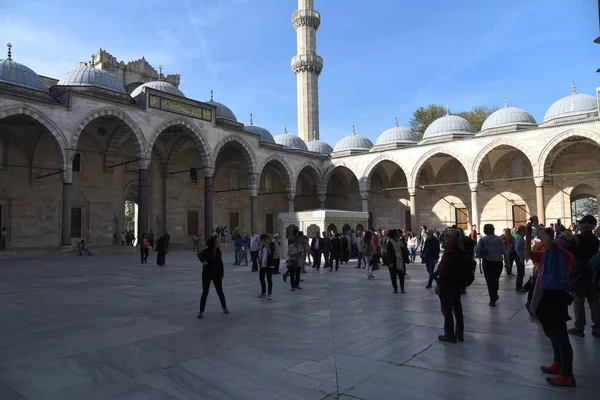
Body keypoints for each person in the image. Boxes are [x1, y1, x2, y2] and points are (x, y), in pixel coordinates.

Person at [526, 216, 577, 387]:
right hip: (546, 294)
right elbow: (528, 253)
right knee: (550, 331)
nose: (557, 238)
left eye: (561, 238)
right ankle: (558, 362)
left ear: (566, 244)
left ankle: (567, 374)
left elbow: (548, 242)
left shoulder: (563, 253)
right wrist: (527, 235)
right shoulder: (550, 254)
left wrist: (535, 225)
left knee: (560, 335)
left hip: (556, 296)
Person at [568, 215, 600, 338]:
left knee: (578, 302)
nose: (579, 226)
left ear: (585, 225)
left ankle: (579, 327)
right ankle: (598, 327)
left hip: (579, 273)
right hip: (591, 273)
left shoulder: (578, 239)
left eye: (581, 223)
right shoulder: (595, 240)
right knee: (594, 302)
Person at [435, 229, 465, 343]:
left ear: (452, 238)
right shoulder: (459, 249)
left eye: (447, 236)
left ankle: (449, 334)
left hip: (448, 284)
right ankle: (459, 333)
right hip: (457, 283)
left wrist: (439, 284)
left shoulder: (449, 251)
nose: (445, 238)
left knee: (447, 310)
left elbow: (444, 269)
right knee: (457, 309)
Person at [474, 224, 509, 307]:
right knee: (495, 280)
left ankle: (492, 299)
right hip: (498, 262)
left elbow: (476, 250)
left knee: (489, 281)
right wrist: (507, 263)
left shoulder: (483, 240)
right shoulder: (499, 239)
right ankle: (494, 295)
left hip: (487, 262)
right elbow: (504, 252)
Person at [197, 236, 229, 318]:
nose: (218, 243)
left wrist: (222, 273)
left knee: (220, 291)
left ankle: (224, 307)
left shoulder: (219, 252)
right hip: (207, 274)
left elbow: (220, 263)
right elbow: (199, 255)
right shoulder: (206, 251)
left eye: (218, 242)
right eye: (217, 242)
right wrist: (203, 261)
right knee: (205, 292)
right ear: (213, 244)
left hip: (216, 274)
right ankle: (201, 311)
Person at [387, 229, 408, 293]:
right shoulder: (390, 242)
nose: (398, 235)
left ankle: (402, 288)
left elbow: (404, 249)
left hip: (400, 261)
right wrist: (390, 262)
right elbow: (389, 252)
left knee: (401, 275)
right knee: (393, 276)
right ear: (394, 235)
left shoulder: (400, 241)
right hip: (393, 261)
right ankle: (395, 288)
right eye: (397, 234)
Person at [257, 234, 274, 300]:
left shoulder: (271, 244)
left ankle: (269, 293)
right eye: (262, 240)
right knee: (261, 278)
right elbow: (261, 254)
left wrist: (266, 245)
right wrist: (260, 261)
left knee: (269, 279)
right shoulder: (262, 246)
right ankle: (263, 292)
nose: (263, 241)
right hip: (263, 265)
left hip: (269, 265)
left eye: (264, 239)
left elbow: (270, 253)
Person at [514, 226, 527, 293]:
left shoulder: (520, 238)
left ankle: (519, 287)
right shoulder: (520, 238)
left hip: (520, 257)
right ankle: (518, 288)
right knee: (520, 273)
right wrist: (521, 257)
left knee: (521, 272)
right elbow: (516, 248)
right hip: (519, 258)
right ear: (522, 231)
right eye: (525, 231)